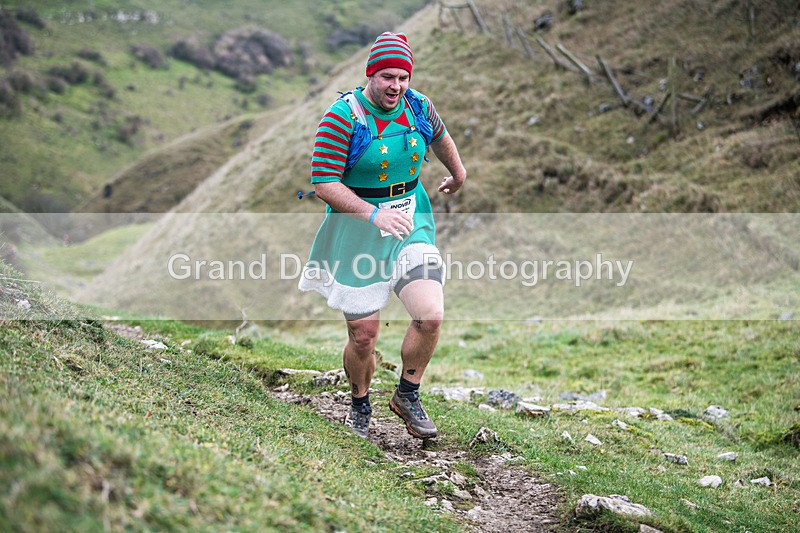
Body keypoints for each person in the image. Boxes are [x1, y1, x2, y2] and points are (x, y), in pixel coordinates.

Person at [299, 32, 467, 439]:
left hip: (411, 221)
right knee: (363, 337)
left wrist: (459, 172)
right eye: (387, 77)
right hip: (356, 231)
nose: (396, 86)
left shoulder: (418, 105)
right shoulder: (343, 116)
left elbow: (440, 136)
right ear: (370, 74)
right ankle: (359, 401)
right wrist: (372, 214)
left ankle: (407, 393)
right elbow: (323, 182)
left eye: (403, 77)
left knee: (430, 314)